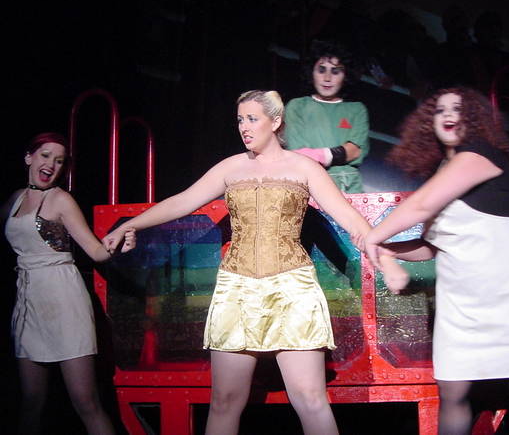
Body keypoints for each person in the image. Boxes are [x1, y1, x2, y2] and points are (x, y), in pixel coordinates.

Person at [103, 90, 371, 435]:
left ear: (275, 122)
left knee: (310, 398)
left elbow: (347, 216)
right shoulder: (231, 167)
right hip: (238, 289)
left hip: (292, 289)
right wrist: (130, 225)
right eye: (240, 119)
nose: (244, 126)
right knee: (225, 401)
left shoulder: (304, 167)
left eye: (252, 119)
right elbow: (183, 201)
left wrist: (384, 250)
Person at [363, 87, 509, 434]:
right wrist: (388, 250)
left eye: (457, 109)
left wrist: (372, 237)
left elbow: (421, 205)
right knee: (453, 390)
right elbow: (433, 246)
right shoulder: (441, 174)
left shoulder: (481, 154)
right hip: (463, 300)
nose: (448, 115)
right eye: (439, 110)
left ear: (473, 119)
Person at [2, 132, 136, 435]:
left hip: (63, 298)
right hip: (29, 300)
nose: (52, 164)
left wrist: (119, 245)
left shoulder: (61, 199)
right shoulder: (15, 199)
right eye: (46, 155)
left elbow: (96, 251)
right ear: (29, 157)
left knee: (86, 402)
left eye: (60, 161)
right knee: (31, 401)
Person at [285, 39, 370, 193]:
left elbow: (355, 151)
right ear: (311, 72)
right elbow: (298, 155)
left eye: (335, 71)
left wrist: (320, 155)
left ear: (346, 75)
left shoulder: (356, 109)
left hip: (349, 189)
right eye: (321, 70)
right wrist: (338, 154)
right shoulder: (297, 106)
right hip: (310, 189)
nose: (327, 78)